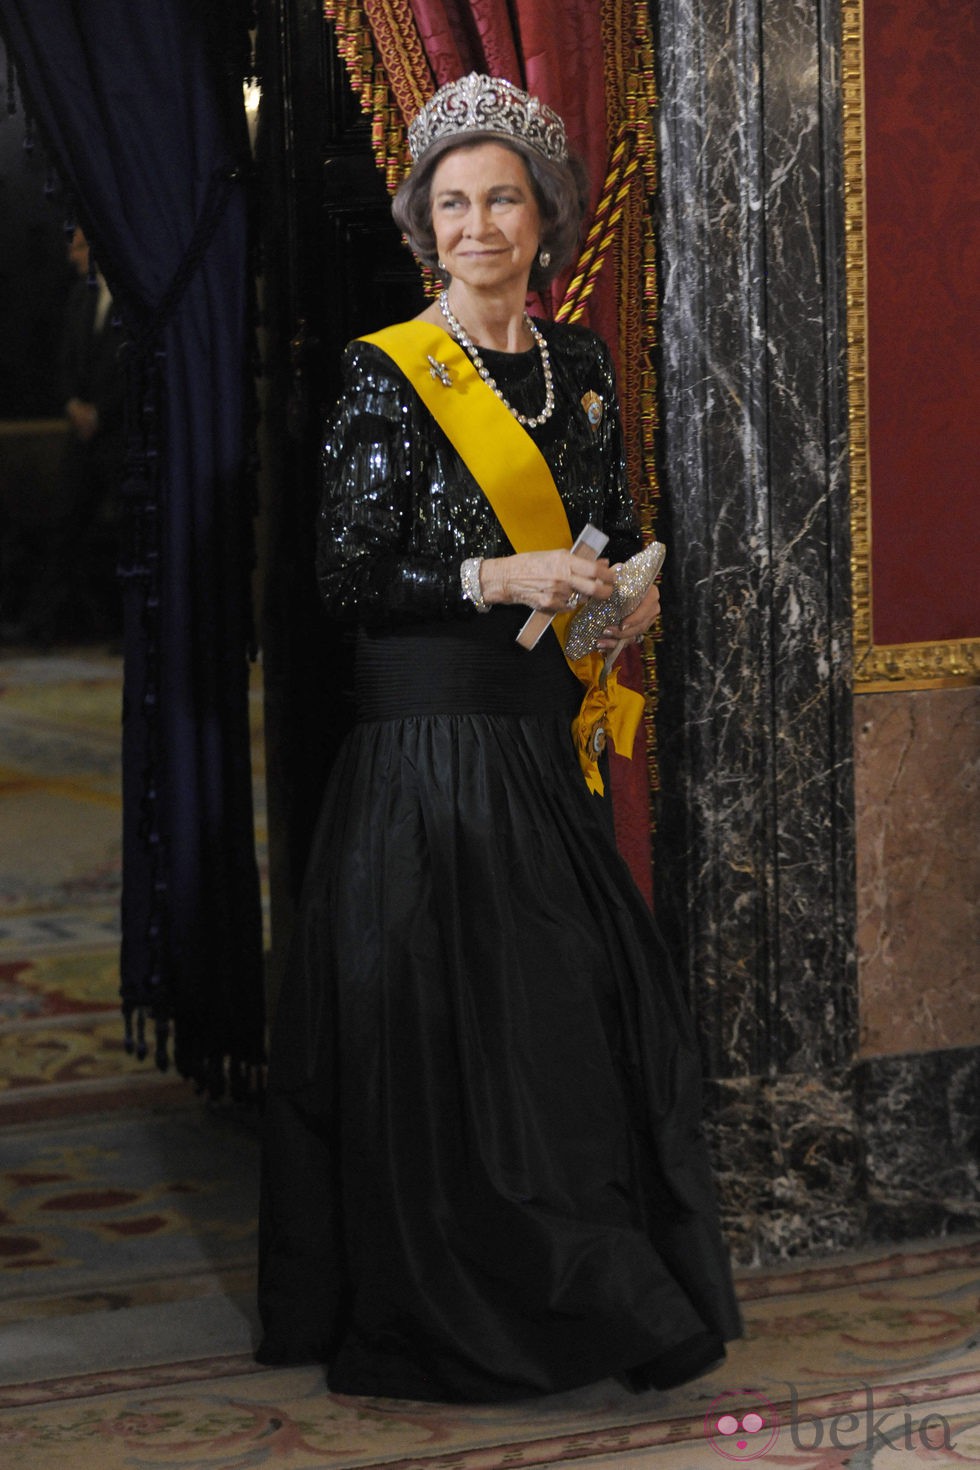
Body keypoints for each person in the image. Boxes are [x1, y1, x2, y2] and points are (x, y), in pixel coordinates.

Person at [257, 72, 741, 1403]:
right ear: (426, 226)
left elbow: (609, 525)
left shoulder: (577, 366)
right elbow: (346, 574)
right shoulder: (382, 374)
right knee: (456, 1049)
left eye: (503, 200)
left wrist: (616, 602)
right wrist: (499, 578)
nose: (479, 225)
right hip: (426, 763)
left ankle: (602, 1291)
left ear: (544, 220)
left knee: (581, 1027)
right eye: (455, 203)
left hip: (538, 746)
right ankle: (477, 1307)